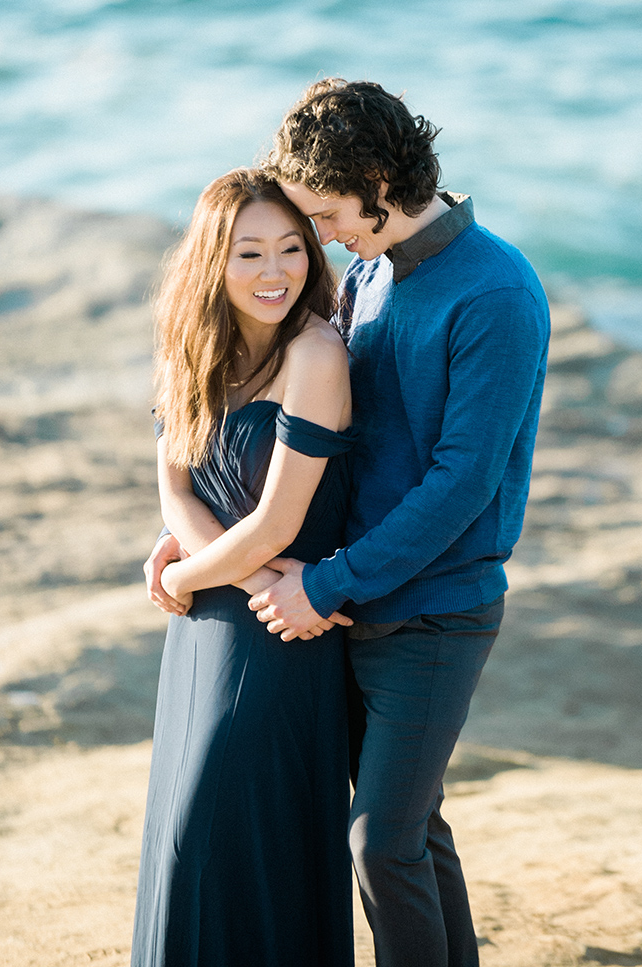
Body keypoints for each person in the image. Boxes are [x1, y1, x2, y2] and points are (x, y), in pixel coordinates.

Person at [247, 79, 551, 967]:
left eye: (328, 211)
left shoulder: (496, 290)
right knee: (416, 828)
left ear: (379, 177)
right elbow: (324, 428)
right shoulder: (370, 273)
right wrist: (226, 524)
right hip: (361, 598)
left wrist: (325, 583)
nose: (320, 235)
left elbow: (463, 484)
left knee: (379, 841)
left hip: (437, 611)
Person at [132, 167, 356, 967]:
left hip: (278, 641)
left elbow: (277, 521)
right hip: (231, 615)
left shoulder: (315, 352)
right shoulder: (189, 345)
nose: (274, 272)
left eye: (291, 249)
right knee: (183, 839)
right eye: (249, 252)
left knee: (218, 834)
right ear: (211, 261)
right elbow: (175, 490)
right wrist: (244, 578)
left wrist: (186, 579)